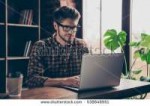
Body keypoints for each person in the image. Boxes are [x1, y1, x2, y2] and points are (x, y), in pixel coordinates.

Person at [27, 6, 89, 88]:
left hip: (77, 94)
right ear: (55, 26)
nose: (71, 32)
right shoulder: (41, 46)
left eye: (74, 27)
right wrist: (64, 82)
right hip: (49, 97)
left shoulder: (82, 45)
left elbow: (89, 73)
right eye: (66, 27)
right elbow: (32, 80)